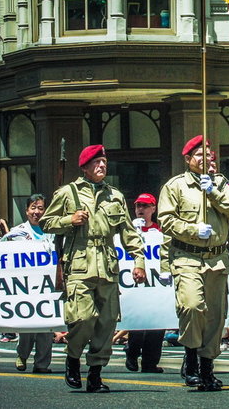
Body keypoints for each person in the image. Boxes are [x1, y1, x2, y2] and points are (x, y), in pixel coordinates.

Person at [40, 144, 147, 393]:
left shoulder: (115, 196)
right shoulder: (68, 193)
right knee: (83, 319)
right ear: (85, 166)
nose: (102, 166)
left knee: (107, 322)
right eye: (97, 162)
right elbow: (46, 222)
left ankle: (96, 374)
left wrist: (138, 262)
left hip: (108, 266)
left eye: (104, 163)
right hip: (79, 264)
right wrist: (69, 220)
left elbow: (129, 233)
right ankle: (73, 358)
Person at [158, 135, 229, 392]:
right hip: (187, 257)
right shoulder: (175, 186)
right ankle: (192, 357)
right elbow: (165, 221)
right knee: (192, 307)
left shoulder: (221, 184)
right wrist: (194, 230)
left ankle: (207, 368)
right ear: (188, 159)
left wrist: (214, 191)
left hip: (217, 259)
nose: (206, 159)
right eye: (200, 155)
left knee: (215, 317)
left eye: (209, 155)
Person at [2, 193, 55, 374]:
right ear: (26, 210)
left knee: (47, 326)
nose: (37, 212)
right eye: (33, 208)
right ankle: (22, 354)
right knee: (27, 326)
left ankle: (42, 364)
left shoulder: (53, 232)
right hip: (26, 287)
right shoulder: (18, 233)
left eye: (40, 208)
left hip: (48, 287)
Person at [124, 192, 167, 374]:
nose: (140, 209)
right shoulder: (128, 231)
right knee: (138, 322)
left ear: (153, 209)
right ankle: (132, 353)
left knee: (157, 323)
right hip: (135, 281)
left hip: (156, 283)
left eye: (145, 206)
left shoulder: (160, 232)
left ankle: (150, 362)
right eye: (138, 206)